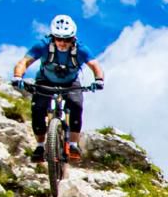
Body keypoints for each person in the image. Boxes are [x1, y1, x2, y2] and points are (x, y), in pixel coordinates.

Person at [11, 14, 105, 163]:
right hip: (45, 80)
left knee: (76, 105)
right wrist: (17, 77)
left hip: (71, 82)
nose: (62, 43)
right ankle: (40, 146)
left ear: (73, 38)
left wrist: (99, 80)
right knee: (37, 108)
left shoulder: (81, 49)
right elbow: (24, 62)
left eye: (67, 39)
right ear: (53, 37)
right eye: (58, 38)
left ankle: (73, 145)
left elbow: (95, 65)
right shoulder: (42, 45)